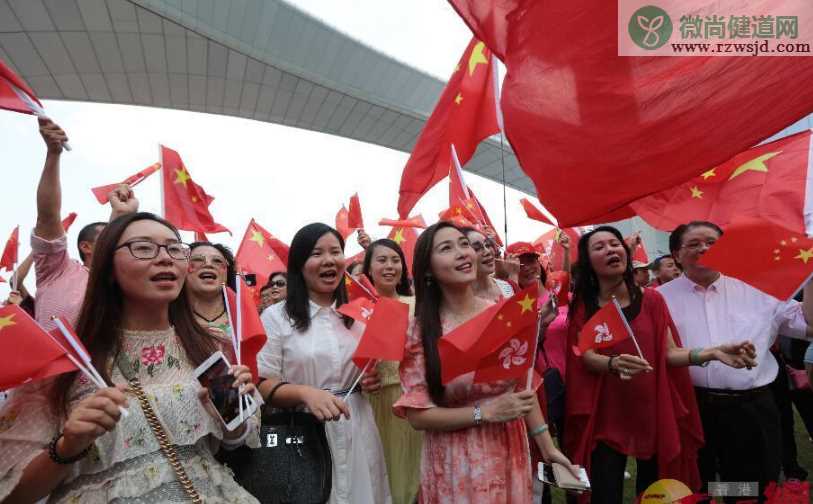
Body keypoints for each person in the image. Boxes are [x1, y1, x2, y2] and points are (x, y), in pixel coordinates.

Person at [0, 212, 259, 503]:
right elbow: (14, 494)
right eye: (144, 248)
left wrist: (231, 418)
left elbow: (236, 439)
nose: (165, 258)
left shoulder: (209, 347)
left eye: (175, 248)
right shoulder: (67, 361)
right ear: (108, 268)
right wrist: (67, 447)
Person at [566, 225, 756, 503]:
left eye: (615, 243)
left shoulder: (653, 299)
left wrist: (712, 353)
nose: (610, 249)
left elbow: (669, 353)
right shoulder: (584, 303)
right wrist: (614, 363)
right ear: (588, 261)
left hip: (654, 410)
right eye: (600, 247)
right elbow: (584, 354)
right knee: (603, 493)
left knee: (659, 494)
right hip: (605, 416)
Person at [394, 221, 576, 503]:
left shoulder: (503, 315)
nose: (462, 252)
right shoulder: (419, 330)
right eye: (447, 248)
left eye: (464, 245)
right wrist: (485, 413)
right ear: (427, 269)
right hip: (456, 461)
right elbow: (418, 416)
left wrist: (547, 446)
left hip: (509, 450)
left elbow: (520, 387)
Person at [659, 220, 813, 500]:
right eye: (693, 244)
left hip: (750, 409)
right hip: (691, 408)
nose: (704, 248)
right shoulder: (659, 299)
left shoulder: (758, 287)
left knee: (749, 488)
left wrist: (811, 274)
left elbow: (807, 323)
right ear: (676, 255)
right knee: (697, 486)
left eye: (712, 243)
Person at [257, 223, 391, 504]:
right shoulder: (276, 317)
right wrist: (305, 393)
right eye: (317, 253)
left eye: (335, 252)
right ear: (299, 264)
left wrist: (367, 382)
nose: (329, 260)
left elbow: (363, 372)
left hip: (357, 424)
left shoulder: (359, 315)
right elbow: (261, 383)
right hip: (304, 432)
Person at [32, 119, 138, 331]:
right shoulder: (57, 270)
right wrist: (53, 154)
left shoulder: (126, 282)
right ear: (86, 247)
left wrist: (121, 215)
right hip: (54, 363)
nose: (116, 242)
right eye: (105, 235)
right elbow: (48, 217)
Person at [360, 238, 422, 504]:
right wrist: (359, 378)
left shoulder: (417, 304)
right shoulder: (357, 310)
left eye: (395, 260)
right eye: (382, 260)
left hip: (412, 400)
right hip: (372, 402)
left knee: (412, 473)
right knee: (380, 474)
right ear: (369, 269)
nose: (389, 266)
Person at [185, 241, 237, 338]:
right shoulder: (165, 318)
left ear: (227, 273)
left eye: (217, 261)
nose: (208, 264)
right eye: (197, 259)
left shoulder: (244, 317)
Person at [464, 227, 515, 302]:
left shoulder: (507, 288)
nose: (487, 251)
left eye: (487, 245)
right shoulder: (461, 299)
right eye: (477, 248)